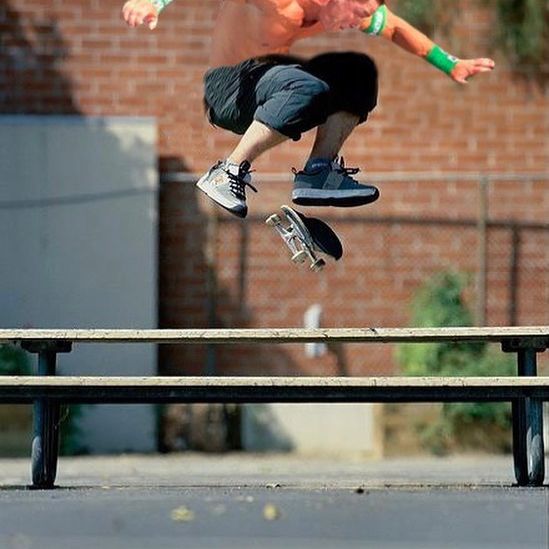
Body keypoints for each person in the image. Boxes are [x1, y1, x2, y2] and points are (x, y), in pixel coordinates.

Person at [122, 0, 495, 218]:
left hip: (270, 81)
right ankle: (228, 170)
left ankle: (318, 172)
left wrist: (452, 64)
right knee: (307, 85)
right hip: (230, 87)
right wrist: (153, 3)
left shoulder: (354, 9)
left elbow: (395, 28)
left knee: (357, 72)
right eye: (351, 15)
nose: (353, 24)